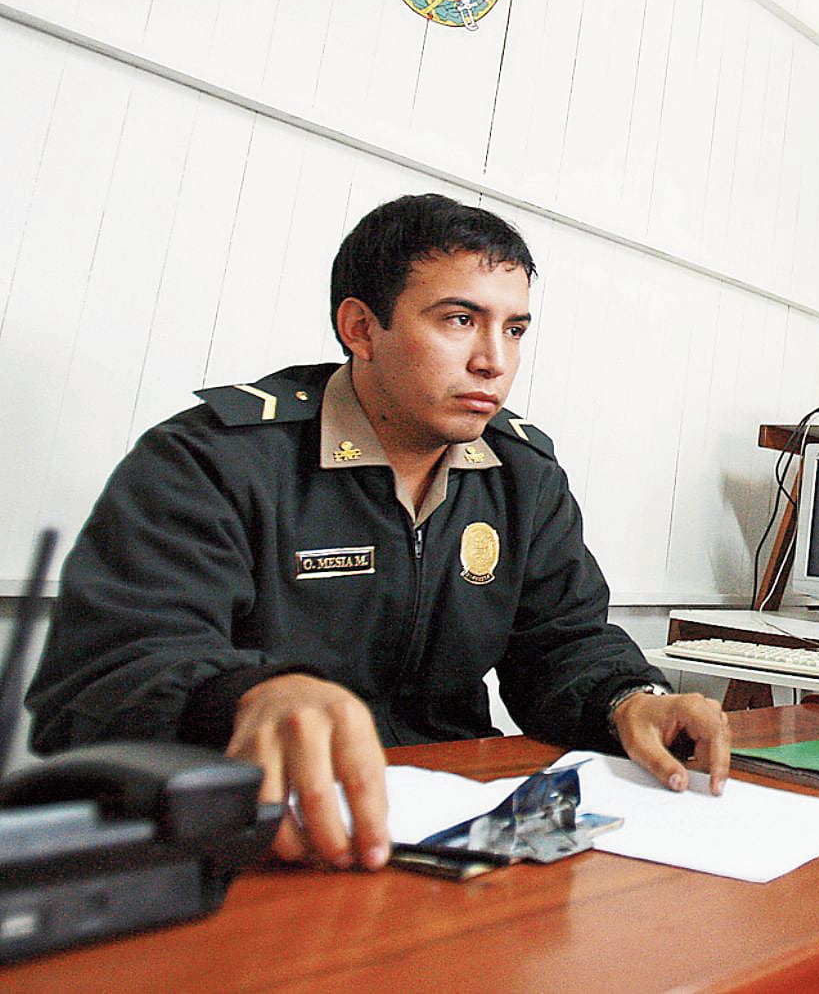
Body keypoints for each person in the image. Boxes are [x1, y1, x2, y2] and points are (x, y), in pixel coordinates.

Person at [27, 194, 730, 872]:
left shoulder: (522, 474)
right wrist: (242, 696)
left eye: (514, 328)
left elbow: (561, 643)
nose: (494, 359)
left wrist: (631, 699)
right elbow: (103, 678)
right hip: (262, 839)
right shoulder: (214, 460)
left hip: (458, 830)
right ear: (361, 327)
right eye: (459, 320)